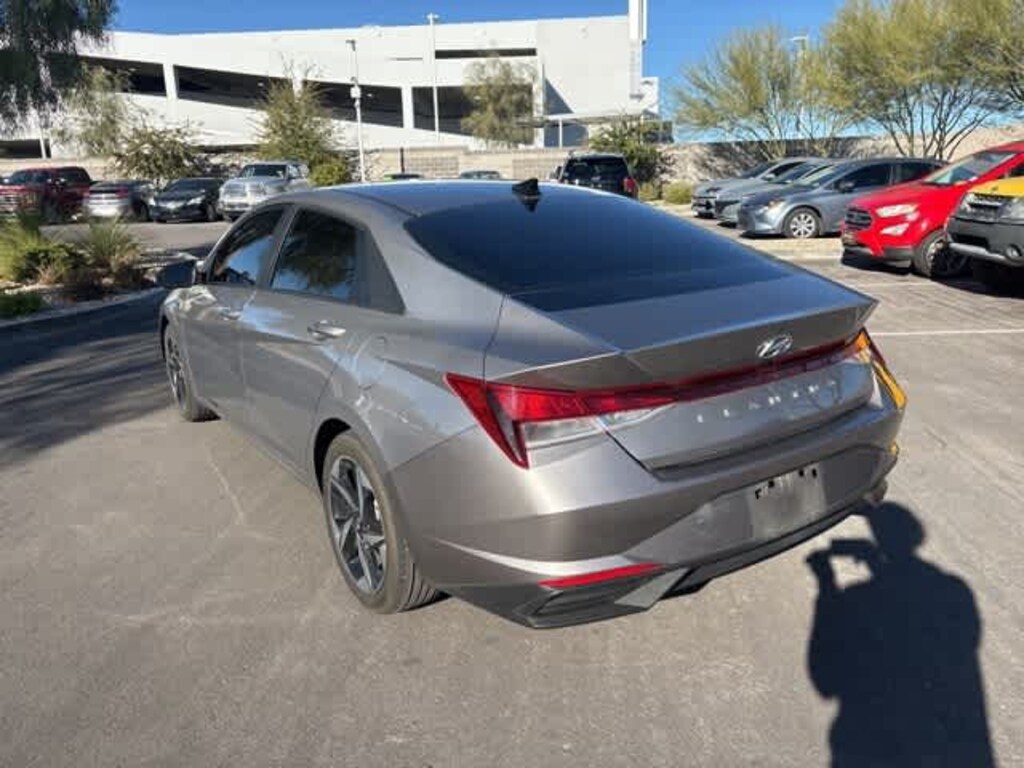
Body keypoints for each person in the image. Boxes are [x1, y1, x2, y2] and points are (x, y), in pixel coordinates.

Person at [806, 504, 994, 767]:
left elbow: (825, 680)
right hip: (945, 744)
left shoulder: (856, 599)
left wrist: (827, 584)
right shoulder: (955, 591)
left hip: (870, 745)